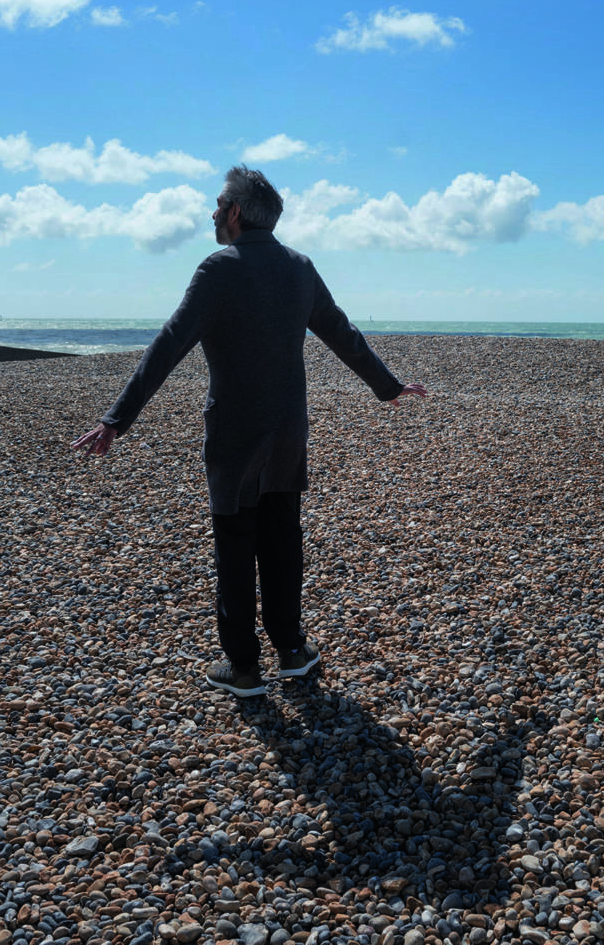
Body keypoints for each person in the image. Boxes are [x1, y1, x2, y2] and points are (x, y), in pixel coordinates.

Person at [71, 166, 426, 698]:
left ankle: (242, 668)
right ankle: (291, 650)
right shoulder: (299, 267)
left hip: (235, 434)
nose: (213, 212)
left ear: (235, 212)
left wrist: (116, 419)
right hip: (287, 430)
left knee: (235, 547)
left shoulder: (219, 269)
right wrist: (387, 386)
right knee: (282, 539)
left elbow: (169, 344)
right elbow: (341, 332)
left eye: (219, 204)